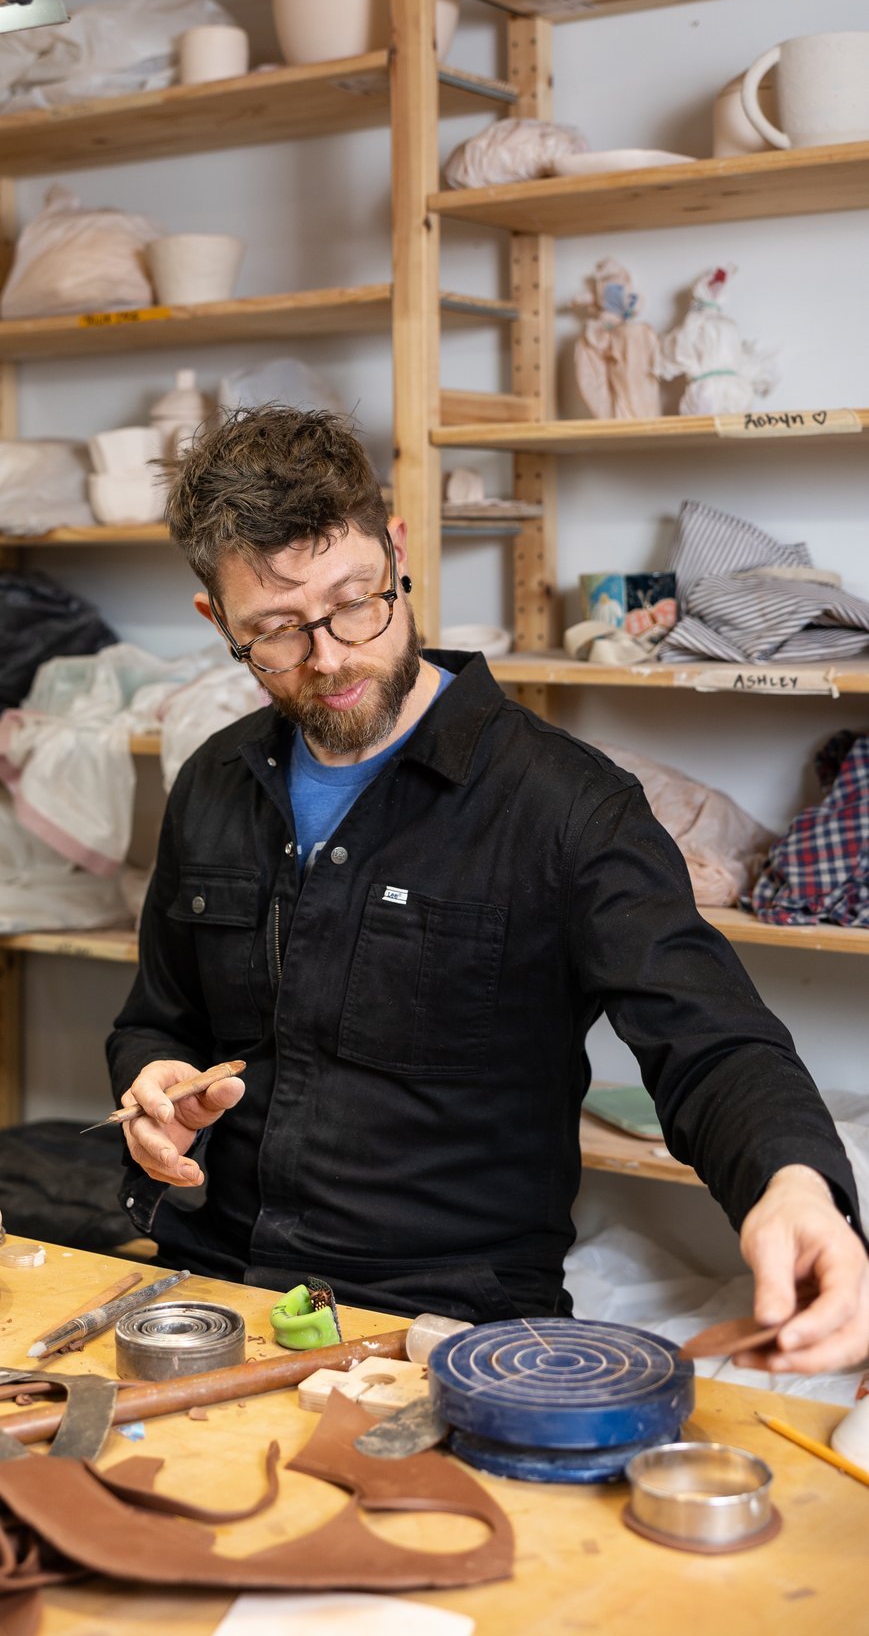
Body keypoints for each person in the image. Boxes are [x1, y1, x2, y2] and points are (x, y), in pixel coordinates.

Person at [107, 406, 869, 1374]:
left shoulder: (566, 806)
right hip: (210, 1290)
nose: (333, 654)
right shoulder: (215, 780)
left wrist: (796, 1187)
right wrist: (152, 1085)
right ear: (218, 620)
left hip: (446, 1325)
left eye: (356, 600)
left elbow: (712, 1039)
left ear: (398, 547)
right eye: (278, 631)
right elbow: (155, 1018)